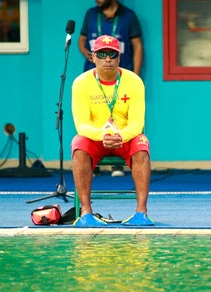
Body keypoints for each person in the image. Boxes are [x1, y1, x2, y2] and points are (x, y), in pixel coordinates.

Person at [70, 35, 153, 227]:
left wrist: (120, 136)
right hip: (96, 138)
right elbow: (81, 125)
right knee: (78, 144)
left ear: (119, 58)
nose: (107, 59)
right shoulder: (80, 83)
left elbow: (137, 123)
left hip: (125, 138)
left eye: (112, 55)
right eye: (102, 54)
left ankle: (141, 212)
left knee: (142, 144)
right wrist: (103, 136)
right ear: (92, 57)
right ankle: (86, 213)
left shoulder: (134, 81)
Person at [78, 0, 144, 177]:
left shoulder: (128, 16)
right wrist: (90, 55)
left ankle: (118, 164)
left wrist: (135, 74)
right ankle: (93, 163)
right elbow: (82, 40)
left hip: (121, 77)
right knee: (93, 116)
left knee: (120, 115)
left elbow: (137, 45)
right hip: (95, 78)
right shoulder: (91, 14)